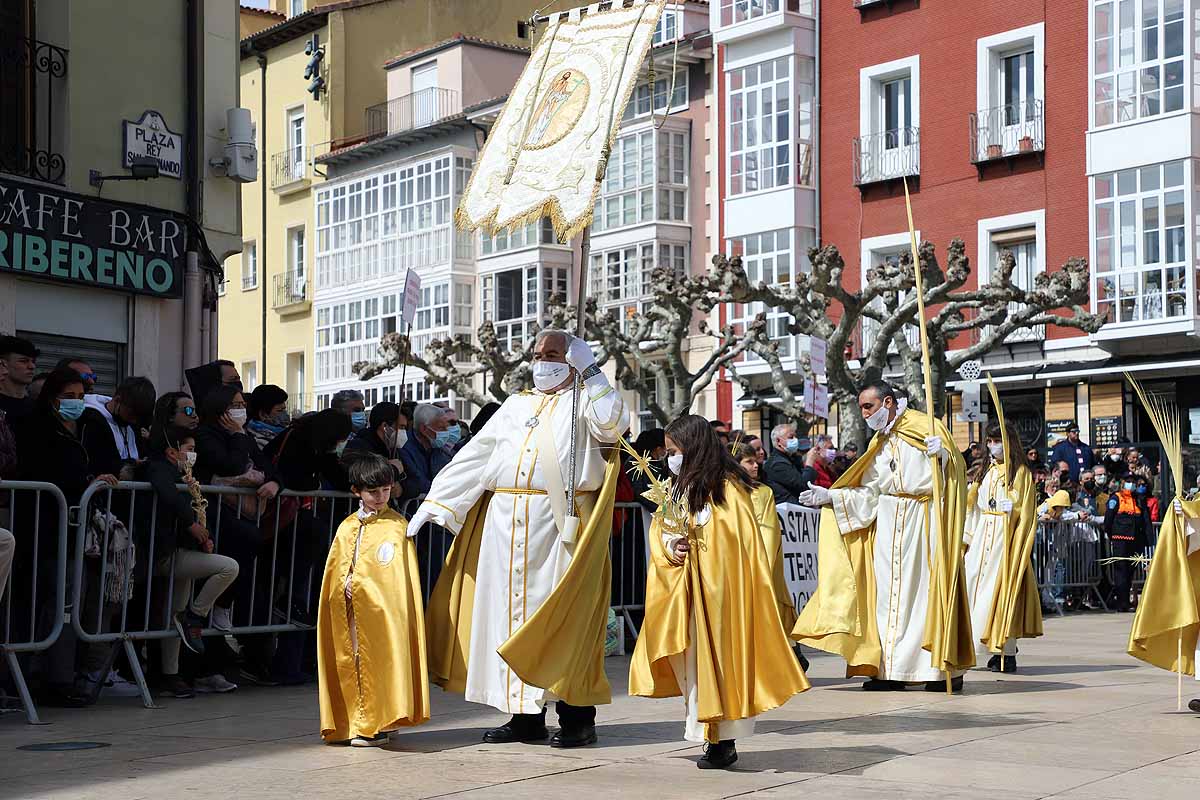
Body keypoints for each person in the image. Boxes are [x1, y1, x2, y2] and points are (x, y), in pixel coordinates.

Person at [410, 329, 629, 748]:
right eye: (538, 352)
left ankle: (576, 718)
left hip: (559, 522)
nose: (542, 360)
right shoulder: (516, 404)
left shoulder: (587, 400)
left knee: (562, 619)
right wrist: (435, 502)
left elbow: (614, 426)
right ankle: (524, 716)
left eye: (553, 354)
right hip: (505, 520)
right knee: (506, 619)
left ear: (573, 359)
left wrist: (594, 372)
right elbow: (479, 453)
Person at [629, 417, 808, 768]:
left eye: (676, 451)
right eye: (668, 452)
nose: (671, 459)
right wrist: (672, 545)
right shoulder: (677, 488)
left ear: (694, 448)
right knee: (696, 667)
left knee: (723, 665)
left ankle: (723, 740)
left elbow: (740, 545)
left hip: (721, 594)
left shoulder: (729, 490)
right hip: (688, 592)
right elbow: (661, 530)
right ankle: (711, 736)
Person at [793, 380, 974, 692]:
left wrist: (944, 456)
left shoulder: (926, 425)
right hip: (889, 524)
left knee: (925, 594)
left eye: (868, 406)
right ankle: (889, 670)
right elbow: (871, 491)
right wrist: (832, 498)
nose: (864, 414)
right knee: (886, 598)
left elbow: (957, 474)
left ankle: (934, 669)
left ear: (888, 402)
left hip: (924, 518)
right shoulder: (880, 440)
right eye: (862, 407)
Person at [15, 367, 120, 705]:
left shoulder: (91, 423)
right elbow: (40, 470)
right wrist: (85, 481)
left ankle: (77, 675)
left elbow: (112, 463)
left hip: (85, 529)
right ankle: (51, 678)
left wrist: (99, 480)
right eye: (67, 397)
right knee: (61, 600)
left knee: (86, 601)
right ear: (52, 397)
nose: (75, 403)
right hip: (48, 529)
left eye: (79, 397)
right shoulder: (37, 426)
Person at [318, 453, 429, 746]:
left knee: (382, 659)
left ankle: (377, 723)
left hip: (383, 612)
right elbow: (338, 568)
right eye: (373, 491)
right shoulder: (346, 527)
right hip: (351, 608)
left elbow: (395, 578)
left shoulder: (397, 525)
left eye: (386, 490)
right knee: (352, 659)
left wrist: (365, 586)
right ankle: (353, 721)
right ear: (356, 491)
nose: (381, 497)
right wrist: (345, 584)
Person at [141, 426, 240, 698]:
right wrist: (192, 526)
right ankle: (195, 616)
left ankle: (171, 675)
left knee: (175, 613)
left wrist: (201, 537)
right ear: (172, 451)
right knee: (228, 566)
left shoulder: (185, 475)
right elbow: (169, 496)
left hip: (179, 551)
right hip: (164, 554)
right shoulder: (160, 468)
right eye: (189, 449)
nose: (193, 454)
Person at [962, 421, 1041, 674]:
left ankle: (1006, 651)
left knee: (1001, 594)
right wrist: (967, 537)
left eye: (997, 440)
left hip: (1004, 538)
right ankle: (976, 645)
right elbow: (973, 506)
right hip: (983, 535)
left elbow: (1026, 508)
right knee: (974, 590)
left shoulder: (1020, 472)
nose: (992, 445)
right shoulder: (984, 471)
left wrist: (1013, 509)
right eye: (989, 441)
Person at [737, 443, 801, 648]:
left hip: (761, 561)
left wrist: (761, 562)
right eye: (749, 462)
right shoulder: (726, 493)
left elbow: (768, 530)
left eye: (756, 461)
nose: (756, 466)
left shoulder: (763, 492)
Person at [79, 376, 156, 480]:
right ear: (117, 400)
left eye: (140, 416)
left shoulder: (135, 425)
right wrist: (131, 464)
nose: (134, 420)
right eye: (131, 414)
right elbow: (98, 463)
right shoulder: (93, 422)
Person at [1102, 475, 1151, 612]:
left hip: (1134, 540)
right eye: (1128, 482)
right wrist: (1111, 535)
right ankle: (1121, 602)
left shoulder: (1137, 499)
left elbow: (1144, 519)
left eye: (1133, 482)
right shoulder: (1116, 498)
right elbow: (1109, 519)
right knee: (1121, 571)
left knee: (1130, 571)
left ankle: (1125, 601)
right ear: (1122, 483)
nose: (1131, 485)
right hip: (1120, 539)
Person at [397, 404, 453, 507]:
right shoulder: (403, 446)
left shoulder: (441, 450)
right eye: (441, 428)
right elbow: (418, 481)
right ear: (424, 429)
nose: (446, 432)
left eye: (446, 427)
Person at [344, 401, 407, 484]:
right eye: (401, 427)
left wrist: (402, 489)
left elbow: (412, 482)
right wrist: (393, 470)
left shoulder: (394, 452)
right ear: (385, 426)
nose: (404, 432)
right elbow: (363, 478)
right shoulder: (358, 448)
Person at [762, 423, 808, 505]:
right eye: (791, 437)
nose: (795, 440)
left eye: (795, 436)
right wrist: (810, 464)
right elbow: (803, 485)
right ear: (778, 441)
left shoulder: (791, 458)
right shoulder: (777, 464)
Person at [0, 334, 37, 423]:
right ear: (3, 363)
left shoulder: (37, 407)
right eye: (23, 361)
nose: (32, 366)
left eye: (33, 361)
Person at [246, 385, 290, 450]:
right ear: (263, 414)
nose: (285, 414)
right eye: (279, 410)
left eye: (285, 410)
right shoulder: (256, 440)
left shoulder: (282, 432)